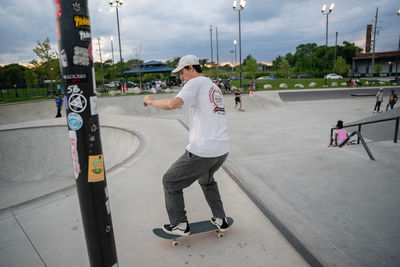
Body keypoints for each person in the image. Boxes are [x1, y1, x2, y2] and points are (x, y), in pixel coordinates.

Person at [143, 55, 230, 236]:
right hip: (222, 149)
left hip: (203, 150)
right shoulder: (213, 86)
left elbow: (172, 104)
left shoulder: (195, 83)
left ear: (191, 67)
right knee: (206, 180)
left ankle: (180, 225)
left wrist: (151, 101)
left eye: (182, 72)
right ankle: (220, 219)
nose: (181, 77)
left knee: (170, 181)